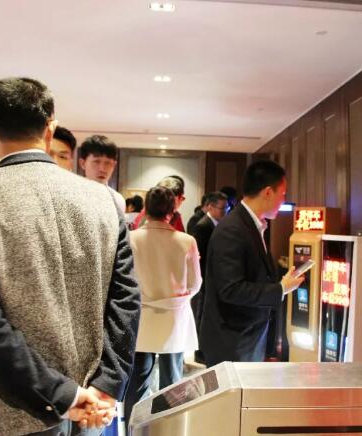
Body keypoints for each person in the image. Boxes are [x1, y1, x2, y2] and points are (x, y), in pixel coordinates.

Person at [0, 77, 140, 435]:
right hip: (93, 404)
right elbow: (125, 299)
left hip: (11, 407)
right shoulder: (107, 201)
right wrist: (106, 385)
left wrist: (64, 396)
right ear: (50, 129)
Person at [199, 161, 304, 366]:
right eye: (282, 194)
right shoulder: (233, 229)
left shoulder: (251, 225)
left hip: (247, 336)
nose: (283, 201)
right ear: (268, 192)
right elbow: (231, 289)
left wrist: (280, 283)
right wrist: (280, 289)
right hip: (232, 340)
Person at [123, 186, 201, 428]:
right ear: (172, 210)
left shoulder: (131, 238)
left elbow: (124, 280)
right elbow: (195, 284)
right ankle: (170, 430)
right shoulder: (186, 241)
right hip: (174, 319)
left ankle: (134, 430)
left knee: (137, 383)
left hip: (141, 317)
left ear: (146, 209)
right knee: (172, 383)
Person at [190, 191, 228, 364]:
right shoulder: (203, 226)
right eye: (222, 208)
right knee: (201, 316)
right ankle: (199, 352)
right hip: (204, 278)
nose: (225, 212)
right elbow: (201, 257)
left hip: (211, 279)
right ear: (211, 207)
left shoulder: (216, 224)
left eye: (227, 208)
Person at [78, 135, 126, 212]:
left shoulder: (118, 200)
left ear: (114, 165)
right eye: (96, 162)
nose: (102, 169)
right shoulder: (72, 194)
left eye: (108, 163)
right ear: (83, 163)